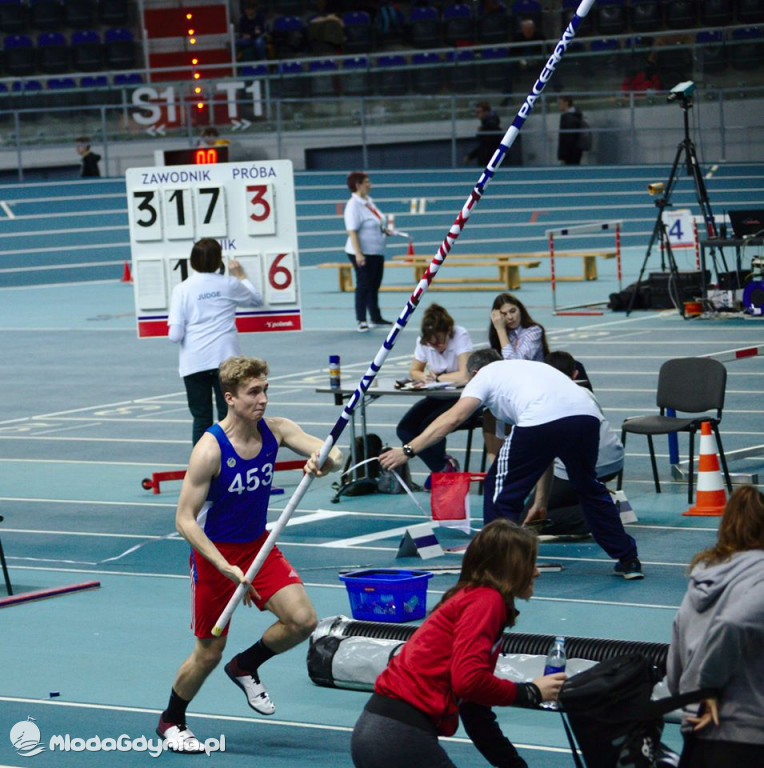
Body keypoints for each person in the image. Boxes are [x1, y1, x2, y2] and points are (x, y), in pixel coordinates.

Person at [156, 355, 343, 752]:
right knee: (208, 653)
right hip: (215, 556)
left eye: (265, 390)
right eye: (253, 392)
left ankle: (246, 665)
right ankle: (171, 720)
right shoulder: (209, 449)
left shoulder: (275, 430)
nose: (263, 399)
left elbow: (332, 454)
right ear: (230, 397)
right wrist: (222, 565)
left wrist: (322, 461)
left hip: (257, 547)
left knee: (303, 620)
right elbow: (184, 520)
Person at [380, 349, 643, 579]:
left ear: (473, 372)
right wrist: (541, 501)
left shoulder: (484, 377)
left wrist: (408, 450)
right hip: (585, 416)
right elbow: (544, 452)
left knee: (499, 493)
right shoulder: (525, 371)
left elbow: (453, 418)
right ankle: (628, 558)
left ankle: (503, 566)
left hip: (543, 418)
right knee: (588, 487)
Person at [351, 519, 567, 768]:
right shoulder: (487, 602)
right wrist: (530, 692)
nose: (537, 572)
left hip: (380, 732)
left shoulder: (471, 600)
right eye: (530, 563)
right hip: (398, 737)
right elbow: (468, 682)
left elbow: (476, 711)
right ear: (510, 568)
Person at [666, 485, 764, 768]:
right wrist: (708, 687)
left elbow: (678, 646)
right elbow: (734, 622)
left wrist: (690, 697)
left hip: (698, 732)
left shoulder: (703, 578)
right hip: (746, 734)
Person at [168, 238, 262, 445]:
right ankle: (231, 463)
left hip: (195, 362)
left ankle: (200, 468)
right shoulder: (228, 284)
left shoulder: (182, 289)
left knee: (201, 418)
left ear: (192, 261)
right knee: (228, 417)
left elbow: (174, 335)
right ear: (218, 260)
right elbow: (256, 300)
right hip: (226, 359)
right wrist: (242, 276)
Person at [523, 351, 623, 538]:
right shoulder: (585, 392)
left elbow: (544, 452)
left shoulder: (545, 398)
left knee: (528, 520)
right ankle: (598, 501)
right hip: (614, 460)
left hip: (580, 468)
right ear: (576, 374)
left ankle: (598, 512)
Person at [396, 304, 473, 489]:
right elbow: (414, 370)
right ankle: (442, 467)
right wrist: (424, 376)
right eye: (432, 344)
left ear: (448, 331)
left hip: (461, 399)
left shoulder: (460, 335)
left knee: (429, 425)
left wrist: (438, 376)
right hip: (437, 395)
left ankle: (441, 471)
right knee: (404, 429)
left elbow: (465, 375)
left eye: (440, 342)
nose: (437, 347)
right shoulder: (424, 342)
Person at [483, 292, 549, 465]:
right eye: (504, 314)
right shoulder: (500, 337)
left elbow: (515, 364)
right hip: (513, 393)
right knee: (489, 415)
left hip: (536, 392)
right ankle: (496, 467)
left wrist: (500, 330)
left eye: (513, 311)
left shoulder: (533, 331)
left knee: (509, 417)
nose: (510, 317)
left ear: (521, 310)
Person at [344, 171, 393, 333]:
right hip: (362, 252)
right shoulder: (353, 205)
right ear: (358, 185)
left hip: (376, 251)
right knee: (364, 285)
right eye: (367, 182)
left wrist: (384, 230)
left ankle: (376, 317)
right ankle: (361, 320)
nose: (370, 184)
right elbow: (352, 231)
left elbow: (375, 222)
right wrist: (359, 254)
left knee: (374, 285)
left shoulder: (368, 202)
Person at [463, 101, 502, 168]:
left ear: (486, 112)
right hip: (489, 158)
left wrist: (471, 156)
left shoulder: (490, 126)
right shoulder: (488, 124)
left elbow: (486, 145)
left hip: (489, 160)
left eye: (479, 112)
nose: (477, 114)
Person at [557, 95, 584, 166]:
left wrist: (563, 156)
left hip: (570, 153)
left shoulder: (569, 118)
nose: (559, 105)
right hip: (574, 151)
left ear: (566, 103)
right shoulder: (574, 116)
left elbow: (568, 139)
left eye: (560, 103)